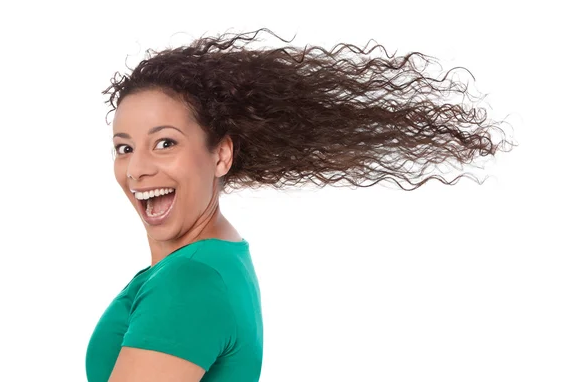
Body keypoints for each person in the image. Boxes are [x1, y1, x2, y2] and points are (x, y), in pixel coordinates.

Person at [85, 28, 515, 382]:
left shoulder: (190, 281)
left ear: (221, 155)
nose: (136, 169)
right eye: (124, 148)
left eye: (165, 143)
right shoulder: (216, 259)